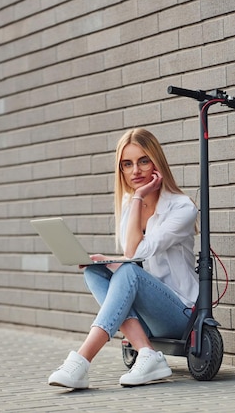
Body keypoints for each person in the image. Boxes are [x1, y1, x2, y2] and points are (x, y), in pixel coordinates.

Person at [48, 128, 199, 388]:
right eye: (127, 164)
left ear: (157, 162)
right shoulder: (130, 206)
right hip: (149, 314)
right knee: (94, 271)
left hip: (181, 314)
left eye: (143, 160)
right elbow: (133, 256)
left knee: (126, 271)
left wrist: (140, 196)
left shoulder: (182, 207)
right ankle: (147, 354)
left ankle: (82, 359)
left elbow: (135, 255)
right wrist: (107, 261)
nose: (135, 171)